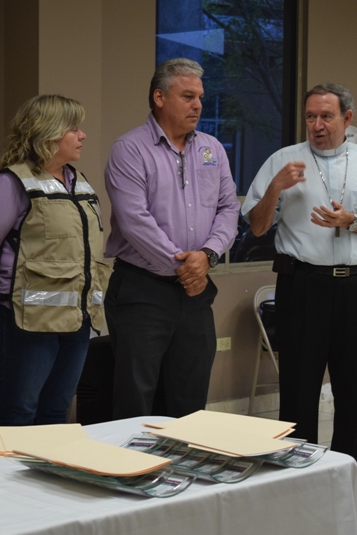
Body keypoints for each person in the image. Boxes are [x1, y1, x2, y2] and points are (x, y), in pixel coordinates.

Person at [242, 82, 357, 524]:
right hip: (303, 287)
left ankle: (346, 491)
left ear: (347, 119)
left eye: (326, 117)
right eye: (310, 116)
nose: (316, 125)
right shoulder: (282, 161)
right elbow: (256, 228)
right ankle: (296, 490)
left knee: (352, 394)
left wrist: (351, 220)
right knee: (298, 391)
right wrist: (275, 187)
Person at [104, 58, 240, 419]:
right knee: (137, 401)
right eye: (188, 96)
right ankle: (132, 473)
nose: (198, 104)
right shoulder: (130, 149)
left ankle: (184, 473)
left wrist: (208, 256)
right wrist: (185, 265)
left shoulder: (212, 148)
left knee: (191, 401)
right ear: (160, 97)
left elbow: (229, 208)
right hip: (143, 291)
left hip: (195, 292)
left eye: (200, 96)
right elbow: (135, 221)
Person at [0, 95, 110, 429]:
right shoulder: (11, 182)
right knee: (19, 414)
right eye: (73, 128)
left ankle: (49, 481)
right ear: (48, 133)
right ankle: (8, 483)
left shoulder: (79, 182)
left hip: (76, 321)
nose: (82, 135)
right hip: (25, 323)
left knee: (57, 415)